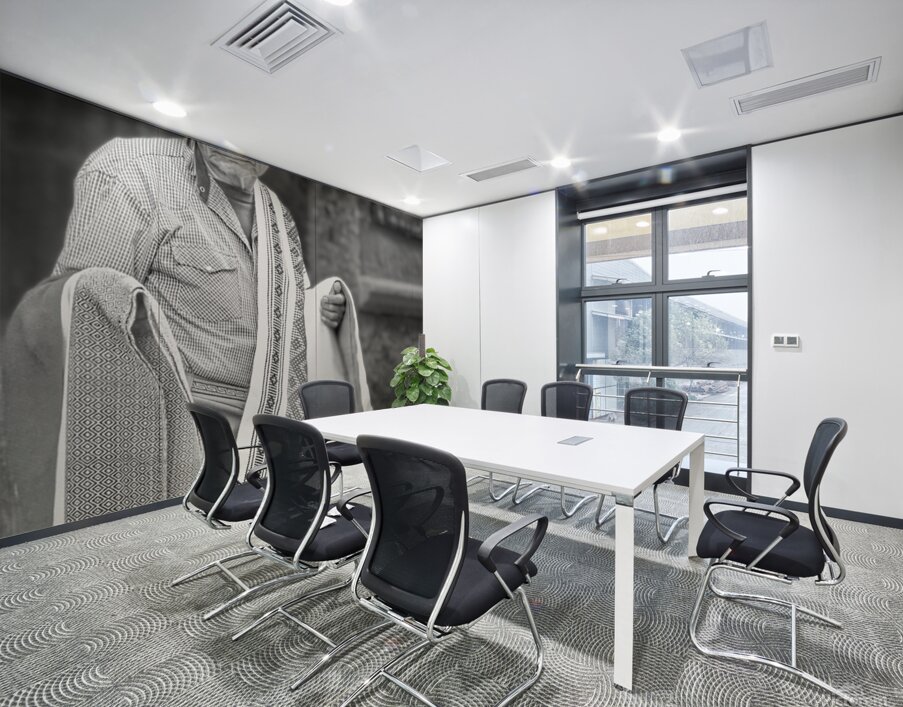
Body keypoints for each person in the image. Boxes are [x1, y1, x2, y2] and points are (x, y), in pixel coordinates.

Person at [1, 137, 368, 535]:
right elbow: (85, 308)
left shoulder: (275, 212)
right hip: (188, 430)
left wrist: (321, 310)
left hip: (274, 422)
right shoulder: (134, 173)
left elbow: (281, 322)